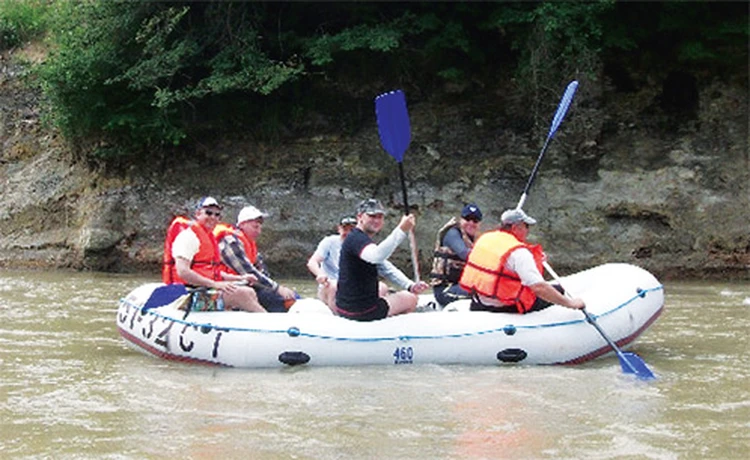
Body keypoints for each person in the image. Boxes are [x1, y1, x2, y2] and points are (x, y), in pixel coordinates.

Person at [459, 208, 585, 313]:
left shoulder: (485, 239)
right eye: (526, 226)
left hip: (479, 301)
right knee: (558, 290)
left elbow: (503, 264)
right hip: (504, 305)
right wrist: (570, 303)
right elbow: (539, 287)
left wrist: (534, 259)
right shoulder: (519, 253)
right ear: (515, 228)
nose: (527, 231)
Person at [163, 197, 266, 313]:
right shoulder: (188, 237)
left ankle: (257, 323)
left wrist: (239, 278)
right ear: (198, 214)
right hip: (183, 296)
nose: (213, 217)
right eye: (208, 213)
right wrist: (215, 284)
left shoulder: (209, 237)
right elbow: (183, 272)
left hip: (202, 289)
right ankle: (270, 325)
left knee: (249, 292)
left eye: (217, 215)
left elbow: (212, 272)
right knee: (242, 294)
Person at [335, 198, 429, 321]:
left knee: (383, 287)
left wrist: (409, 285)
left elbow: (385, 267)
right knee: (410, 298)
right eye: (372, 216)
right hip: (362, 311)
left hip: (344, 307)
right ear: (360, 217)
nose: (377, 220)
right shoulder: (357, 239)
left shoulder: (358, 238)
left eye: (380, 217)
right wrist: (401, 230)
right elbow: (377, 256)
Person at [214, 205, 298, 313]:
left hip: (250, 286)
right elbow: (246, 270)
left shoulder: (249, 243)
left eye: (260, 227)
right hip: (230, 288)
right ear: (242, 224)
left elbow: (262, 272)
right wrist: (277, 288)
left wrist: (278, 289)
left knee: (292, 297)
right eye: (255, 227)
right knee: (280, 299)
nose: (259, 231)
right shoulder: (230, 241)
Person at [429, 203, 483, 307]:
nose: (471, 223)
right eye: (467, 219)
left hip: (459, 285)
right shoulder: (452, 233)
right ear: (461, 219)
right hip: (445, 290)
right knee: (484, 293)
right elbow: (465, 254)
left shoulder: (475, 239)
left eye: (475, 220)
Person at [306, 215, 358, 309]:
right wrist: (320, 274)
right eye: (345, 229)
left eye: (352, 230)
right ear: (339, 229)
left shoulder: (363, 244)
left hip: (353, 288)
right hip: (330, 286)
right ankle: (336, 317)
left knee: (381, 287)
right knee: (334, 286)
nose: (348, 233)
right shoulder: (329, 242)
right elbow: (312, 262)